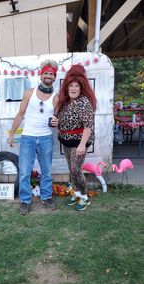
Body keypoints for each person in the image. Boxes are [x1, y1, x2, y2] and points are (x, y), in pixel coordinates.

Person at [8, 59, 59, 215]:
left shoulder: (56, 98)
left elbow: (56, 119)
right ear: (41, 75)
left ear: (54, 77)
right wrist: (11, 134)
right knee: (24, 171)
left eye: (51, 74)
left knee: (47, 171)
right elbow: (20, 114)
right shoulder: (29, 93)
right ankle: (25, 200)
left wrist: (57, 122)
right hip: (28, 138)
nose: (48, 76)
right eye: (46, 73)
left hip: (45, 138)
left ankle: (46, 197)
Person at [57, 64, 96, 211]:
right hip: (66, 141)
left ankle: (85, 197)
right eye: (71, 86)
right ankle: (77, 193)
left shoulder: (84, 102)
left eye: (76, 86)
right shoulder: (66, 102)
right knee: (71, 169)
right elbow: (64, 120)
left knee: (76, 170)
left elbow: (88, 125)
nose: (73, 88)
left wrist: (82, 144)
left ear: (81, 88)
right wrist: (57, 121)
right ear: (67, 87)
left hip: (79, 141)